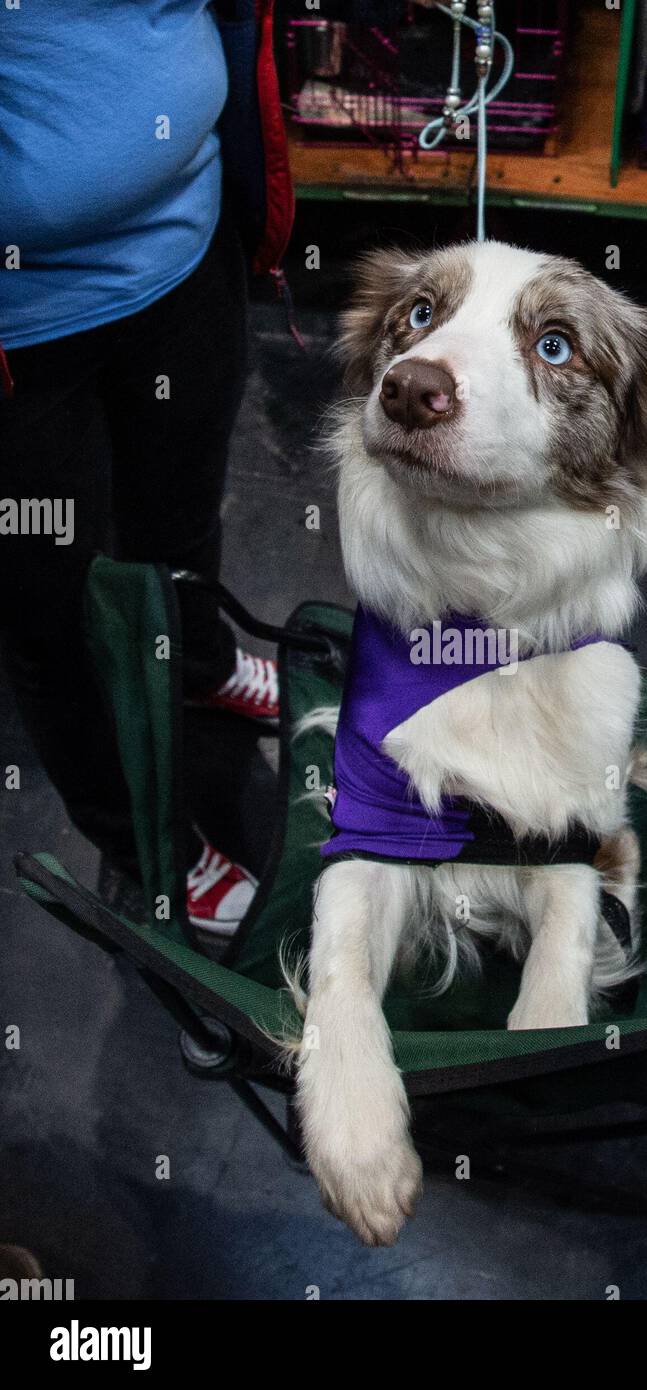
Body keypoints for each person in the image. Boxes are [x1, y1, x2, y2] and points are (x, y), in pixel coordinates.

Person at [0, 1, 290, 935]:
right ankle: (142, 842)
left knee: (179, 508)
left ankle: (198, 661)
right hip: (20, 328)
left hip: (185, 250)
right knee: (55, 607)